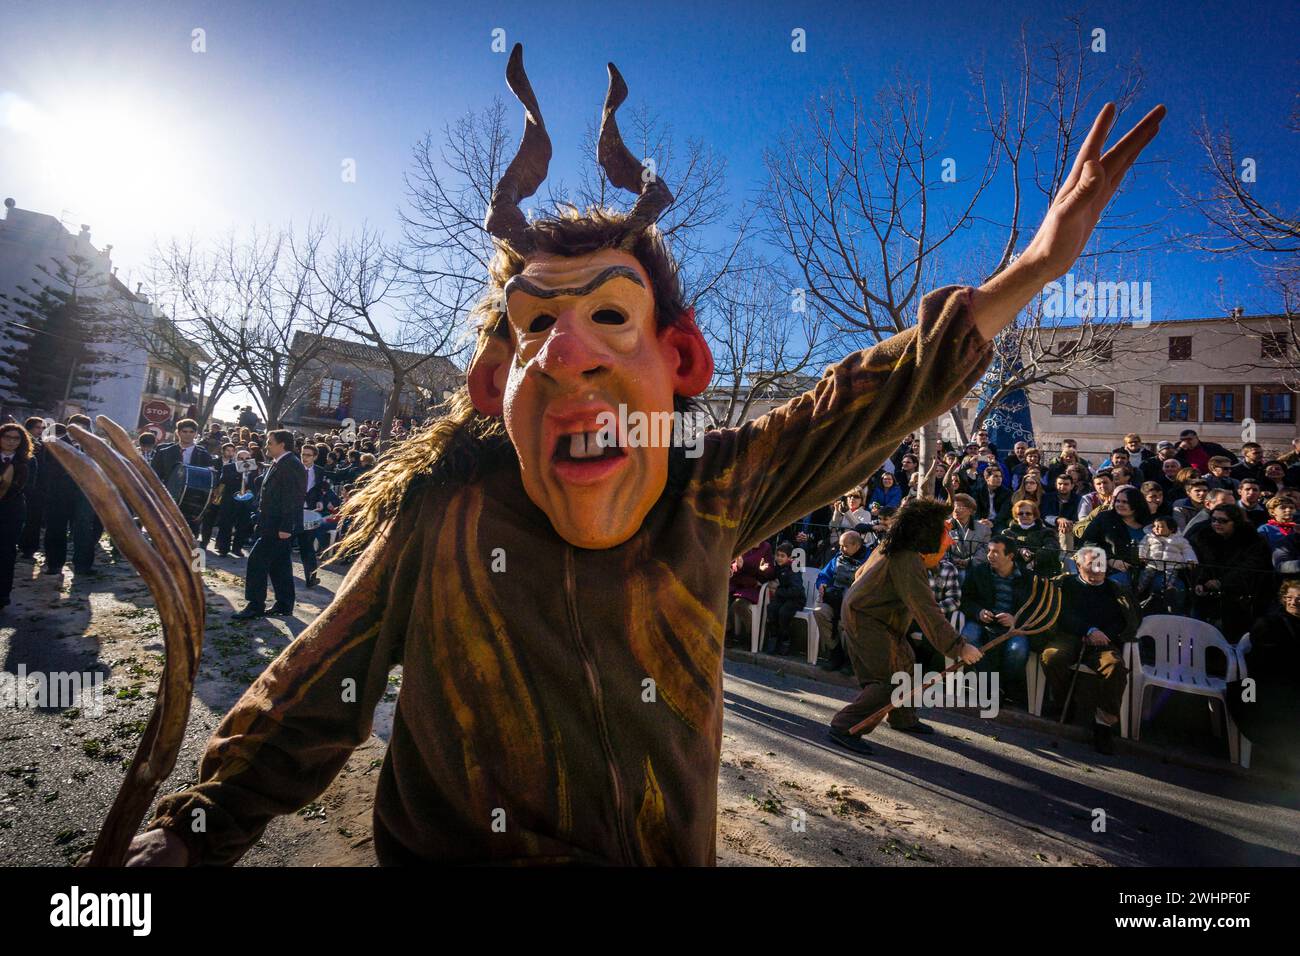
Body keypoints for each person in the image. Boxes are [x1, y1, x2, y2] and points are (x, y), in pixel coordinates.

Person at [120, 61, 1162, 865]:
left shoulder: (710, 483)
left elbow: (866, 394)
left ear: (678, 361)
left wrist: (1032, 268)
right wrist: (191, 829)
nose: (565, 354)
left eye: (607, 315)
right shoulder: (445, 518)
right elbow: (309, 695)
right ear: (494, 385)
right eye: (533, 329)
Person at [828, 498, 984, 751]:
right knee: (888, 680)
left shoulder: (893, 545)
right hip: (867, 620)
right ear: (926, 533)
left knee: (907, 664)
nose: (949, 541)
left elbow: (859, 575)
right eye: (944, 533)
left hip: (877, 617)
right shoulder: (907, 559)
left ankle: (903, 718)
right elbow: (926, 610)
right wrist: (959, 647)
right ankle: (844, 726)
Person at [1040, 546, 1139, 755]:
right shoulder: (1065, 584)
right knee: (1052, 657)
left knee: (1114, 667)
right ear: (1078, 566)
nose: (1096, 572)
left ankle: (1103, 725)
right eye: (1091, 567)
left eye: (1100, 567)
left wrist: (1105, 635)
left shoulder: (1116, 589)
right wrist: (1087, 629)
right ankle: (1064, 702)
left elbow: (1123, 620)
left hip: (1104, 640)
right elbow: (1061, 614)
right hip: (1070, 635)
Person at [233, 430, 306, 620]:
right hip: (270, 523)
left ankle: (255, 605)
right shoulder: (280, 462)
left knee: (256, 561)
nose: (266, 446)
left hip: (278, 526)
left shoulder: (291, 464)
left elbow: (292, 499)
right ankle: (284, 604)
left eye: (270, 442)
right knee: (279, 566)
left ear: (282, 444)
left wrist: (285, 527)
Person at [1227, 581, 1300, 768]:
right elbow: (1262, 660)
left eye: (1298, 599)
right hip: (1255, 688)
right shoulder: (1270, 623)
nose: (1294, 602)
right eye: (1290, 598)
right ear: (1283, 599)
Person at [959, 535, 1033, 704]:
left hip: (1014, 626)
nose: (990, 555)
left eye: (996, 552)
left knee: (1017, 650)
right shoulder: (979, 571)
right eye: (989, 551)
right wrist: (978, 612)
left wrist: (1015, 619)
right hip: (982, 621)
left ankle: (1003, 686)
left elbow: (1034, 608)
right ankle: (989, 685)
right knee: (968, 638)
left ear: (1010, 556)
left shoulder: (1026, 578)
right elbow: (964, 600)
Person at [1191, 503, 1274, 641]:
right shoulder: (1204, 537)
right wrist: (1201, 582)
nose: (1217, 523)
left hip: (1244, 597)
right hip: (1209, 596)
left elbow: (1249, 568)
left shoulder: (1252, 540)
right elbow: (1201, 565)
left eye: (1223, 521)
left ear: (1235, 522)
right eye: (1214, 520)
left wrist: (1221, 582)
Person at [814, 531, 870, 673]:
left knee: (847, 623)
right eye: (840, 545)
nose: (841, 549)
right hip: (835, 600)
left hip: (856, 604)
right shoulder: (838, 558)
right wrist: (822, 585)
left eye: (845, 546)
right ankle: (835, 653)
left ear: (856, 545)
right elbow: (823, 576)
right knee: (820, 612)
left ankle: (852, 659)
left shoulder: (869, 560)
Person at [0, 423, 34, 610]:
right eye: (7, 437)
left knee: (5, 552)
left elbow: (28, 487)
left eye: (16, 438)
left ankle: (3, 594)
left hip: (11, 511)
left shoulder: (28, 462)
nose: (11, 441)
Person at [1137, 514, 1196, 614]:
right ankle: (1137, 591)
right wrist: (1141, 556)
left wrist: (1191, 560)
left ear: (1171, 529)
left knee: (1170, 578)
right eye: (1155, 526)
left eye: (1160, 527)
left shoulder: (1179, 540)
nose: (1156, 529)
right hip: (1153, 563)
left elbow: (1187, 550)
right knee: (1145, 576)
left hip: (1170, 565)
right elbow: (1143, 546)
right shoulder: (1150, 537)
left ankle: (1169, 591)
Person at [762, 542, 807, 656]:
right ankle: (773, 636)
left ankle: (785, 639)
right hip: (783, 597)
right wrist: (764, 570)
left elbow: (796, 590)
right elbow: (771, 576)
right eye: (777, 555)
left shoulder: (794, 569)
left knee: (783, 613)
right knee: (771, 609)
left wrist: (778, 591)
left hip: (796, 599)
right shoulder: (778, 567)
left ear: (789, 557)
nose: (779, 558)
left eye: (782, 556)